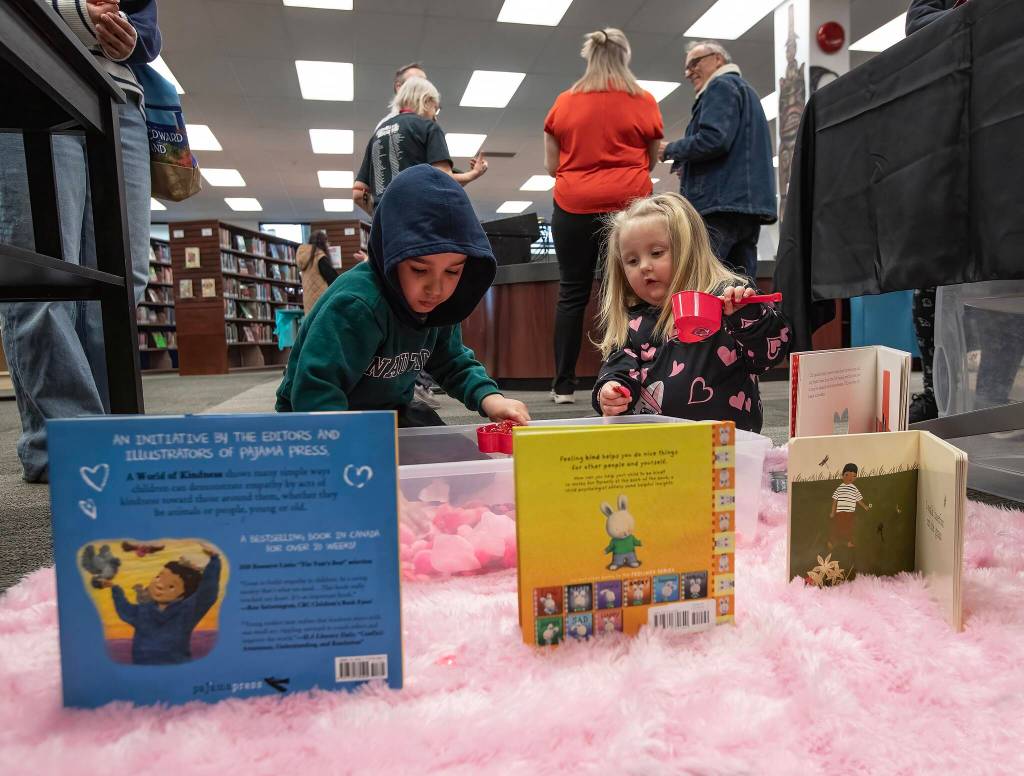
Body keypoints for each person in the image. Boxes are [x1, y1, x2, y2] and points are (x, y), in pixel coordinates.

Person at [0, 0, 160, 482]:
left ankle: (108, 432)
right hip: (27, 69)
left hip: (120, 93)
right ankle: (65, 441)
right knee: (46, 272)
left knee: (125, 276)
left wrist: (136, 39)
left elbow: (147, 21)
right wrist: (71, 13)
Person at [276, 164, 529, 428]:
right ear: (391, 258)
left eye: (452, 271)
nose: (436, 289)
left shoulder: (440, 306)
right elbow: (316, 386)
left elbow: (453, 361)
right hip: (316, 417)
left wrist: (491, 398)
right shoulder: (356, 304)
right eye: (419, 269)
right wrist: (341, 446)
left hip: (387, 410)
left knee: (443, 448)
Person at [592, 193, 790, 433]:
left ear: (688, 250)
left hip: (729, 448)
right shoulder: (633, 322)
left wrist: (748, 316)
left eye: (656, 253)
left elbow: (771, 353)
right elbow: (618, 367)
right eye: (632, 261)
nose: (644, 266)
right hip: (659, 451)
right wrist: (611, 390)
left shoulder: (729, 303)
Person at [544, 27, 664, 404]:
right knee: (627, 292)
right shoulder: (643, 100)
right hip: (628, 206)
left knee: (572, 293)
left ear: (589, 56)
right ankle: (628, 376)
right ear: (625, 56)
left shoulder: (564, 102)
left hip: (573, 206)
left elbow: (552, 166)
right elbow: (652, 159)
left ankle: (563, 385)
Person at [659, 41, 776, 281]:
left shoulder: (720, 86)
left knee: (703, 282)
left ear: (718, 60)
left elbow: (714, 139)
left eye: (694, 63)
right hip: (746, 209)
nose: (688, 72)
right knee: (741, 287)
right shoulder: (746, 92)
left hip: (718, 205)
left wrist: (670, 149)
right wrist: (689, 165)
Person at [353, 76, 487, 215]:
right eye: (436, 108)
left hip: (385, 226)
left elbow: (358, 192)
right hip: (420, 218)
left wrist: (378, 216)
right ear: (426, 100)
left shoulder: (377, 135)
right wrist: (474, 174)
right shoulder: (428, 127)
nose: (435, 116)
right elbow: (442, 179)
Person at [103, 545, 222, 665]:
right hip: (144, 667)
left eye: (171, 586)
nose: (159, 585)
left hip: (176, 667)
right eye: (158, 577)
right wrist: (115, 589)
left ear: (183, 595)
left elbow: (207, 593)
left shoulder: (187, 611)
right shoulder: (143, 611)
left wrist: (214, 561)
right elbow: (125, 610)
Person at [829, 463, 871, 550]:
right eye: (847, 475)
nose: (850, 478)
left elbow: (858, 500)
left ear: (856, 477)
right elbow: (834, 500)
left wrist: (865, 506)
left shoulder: (854, 488)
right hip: (840, 512)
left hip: (850, 513)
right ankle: (832, 542)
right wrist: (833, 512)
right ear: (842, 476)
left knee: (850, 528)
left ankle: (849, 542)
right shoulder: (840, 488)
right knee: (838, 527)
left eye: (853, 476)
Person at [296, 230, 338, 314]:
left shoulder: (305, 257)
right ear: (323, 243)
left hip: (308, 302)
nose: (328, 244)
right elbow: (333, 279)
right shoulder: (320, 257)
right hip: (321, 300)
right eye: (327, 242)